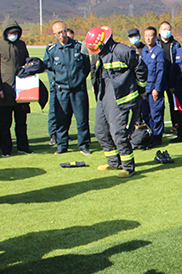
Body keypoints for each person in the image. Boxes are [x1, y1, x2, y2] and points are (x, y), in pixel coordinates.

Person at [87, 26, 148, 178]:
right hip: (103, 96)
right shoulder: (99, 54)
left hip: (120, 97)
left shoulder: (121, 51)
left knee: (118, 132)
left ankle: (128, 166)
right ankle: (113, 162)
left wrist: (141, 91)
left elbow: (141, 68)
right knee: (100, 131)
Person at [44, 21, 91, 155]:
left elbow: (86, 67)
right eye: (59, 32)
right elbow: (50, 69)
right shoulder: (52, 50)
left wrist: (79, 79)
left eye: (63, 31)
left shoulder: (79, 46)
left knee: (82, 120)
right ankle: (62, 146)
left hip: (78, 90)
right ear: (54, 34)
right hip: (62, 90)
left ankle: (83, 145)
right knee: (62, 120)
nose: (62, 34)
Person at [0, 19, 31, 156]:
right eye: (10, 31)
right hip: (5, 91)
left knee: (21, 122)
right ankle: (6, 149)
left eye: (15, 32)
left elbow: (27, 63)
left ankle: (23, 147)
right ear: (5, 32)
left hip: (21, 90)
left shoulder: (21, 45)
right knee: (4, 123)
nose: (13, 34)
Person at [158, 21, 182, 143]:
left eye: (168, 29)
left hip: (172, 77)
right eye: (164, 29)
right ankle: (159, 126)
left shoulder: (175, 44)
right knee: (159, 103)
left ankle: (176, 124)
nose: (166, 31)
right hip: (160, 77)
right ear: (159, 31)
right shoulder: (157, 44)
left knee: (173, 103)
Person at [142, 26, 167, 146]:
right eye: (146, 35)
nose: (148, 38)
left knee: (156, 113)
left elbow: (160, 72)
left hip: (154, 89)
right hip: (144, 89)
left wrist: (157, 89)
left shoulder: (159, 52)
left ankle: (157, 137)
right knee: (146, 114)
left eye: (150, 35)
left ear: (155, 37)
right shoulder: (144, 51)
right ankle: (150, 135)